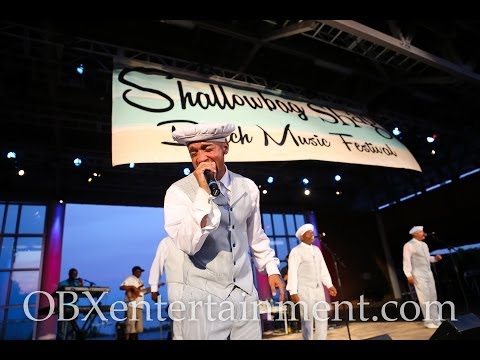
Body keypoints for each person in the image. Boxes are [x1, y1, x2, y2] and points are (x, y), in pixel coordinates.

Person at [164, 122, 285, 340]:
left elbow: (255, 235)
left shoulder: (248, 186)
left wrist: (271, 268)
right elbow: (188, 244)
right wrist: (203, 194)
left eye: (207, 148)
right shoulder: (178, 192)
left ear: (225, 147)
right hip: (203, 299)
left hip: (244, 294)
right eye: (194, 152)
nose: (201, 158)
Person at [286, 223, 337, 340]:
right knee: (307, 321)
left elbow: (323, 269)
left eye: (312, 231)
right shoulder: (296, 251)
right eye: (309, 232)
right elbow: (292, 271)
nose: (312, 233)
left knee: (322, 319)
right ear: (302, 236)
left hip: (318, 289)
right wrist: (293, 291)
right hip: (305, 290)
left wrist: (329, 285)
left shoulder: (317, 250)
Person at [403, 225, 443, 329]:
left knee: (433, 296)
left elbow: (427, 258)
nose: (424, 233)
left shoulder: (424, 245)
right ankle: (428, 321)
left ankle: (436, 320)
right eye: (421, 232)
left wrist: (435, 259)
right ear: (415, 234)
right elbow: (406, 260)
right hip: (418, 274)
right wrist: (408, 275)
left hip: (428, 273)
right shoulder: (408, 245)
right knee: (424, 297)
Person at [148, 236, 186, 340]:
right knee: (179, 324)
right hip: (176, 286)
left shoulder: (199, 236)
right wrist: (154, 289)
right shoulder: (167, 242)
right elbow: (157, 264)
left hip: (199, 286)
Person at [120, 266, 151, 340]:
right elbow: (121, 287)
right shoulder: (130, 278)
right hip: (131, 305)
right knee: (130, 326)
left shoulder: (141, 281)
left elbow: (142, 292)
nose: (140, 273)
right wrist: (132, 287)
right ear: (133, 272)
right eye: (138, 271)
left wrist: (152, 289)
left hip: (139, 305)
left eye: (140, 272)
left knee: (138, 327)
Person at [56, 268, 83, 340]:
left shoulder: (77, 284)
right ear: (69, 274)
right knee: (62, 330)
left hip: (73, 308)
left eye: (76, 275)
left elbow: (80, 293)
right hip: (64, 308)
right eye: (73, 274)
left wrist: (81, 285)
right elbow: (58, 295)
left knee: (71, 330)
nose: (75, 276)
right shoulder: (62, 284)